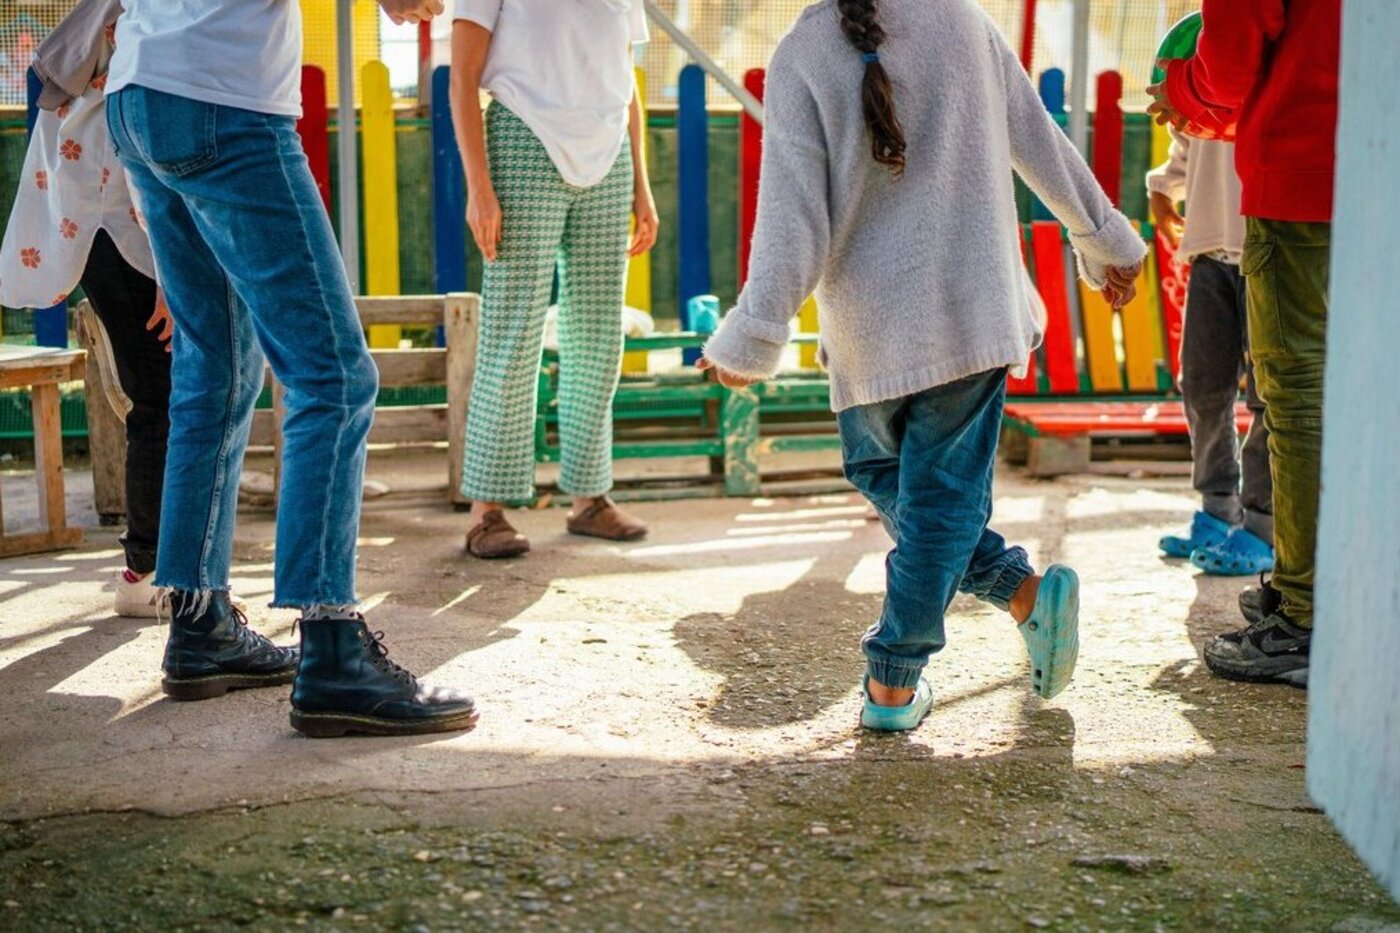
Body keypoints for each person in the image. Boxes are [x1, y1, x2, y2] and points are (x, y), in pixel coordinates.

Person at [698, 0, 1145, 731]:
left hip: (870, 334)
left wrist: (755, 334)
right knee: (932, 502)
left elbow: (790, 220)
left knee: (913, 494)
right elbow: (1042, 143)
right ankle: (1021, 592)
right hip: (973, 314)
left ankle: (893, 680)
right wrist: (1106, 241)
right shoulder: (966, 24)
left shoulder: (802, 52)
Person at [104, 0, 478, 736]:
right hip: (222, 94)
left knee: (213, 372)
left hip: (141, 91)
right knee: (332, 376)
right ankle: (332, 649)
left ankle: (200, 624)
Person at [1150, 0, 1340, 687]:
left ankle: (1306, 615)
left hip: (1302, 171)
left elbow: (1228, 66)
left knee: (1295, 394)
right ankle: (1319, 585)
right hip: (1370, 167)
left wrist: (1182, 89)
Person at [450, 0, 658, 560]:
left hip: (610, 156)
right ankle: (486, 512)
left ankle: (590, 498)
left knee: (598, 335)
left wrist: (642, 185)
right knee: (513, 331)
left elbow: (626, 81)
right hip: (523, 142)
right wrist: (479, 188)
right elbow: (462, 78)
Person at [0, 9, 177, 619]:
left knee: (161, 396)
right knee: (160, 397)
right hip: (123, 229)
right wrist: (169, 274)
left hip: (105, 225)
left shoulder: (105, 29)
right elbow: (136, 157)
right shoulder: (137, 27)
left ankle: (154, 563)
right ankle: (146, 570)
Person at [1147, 129, 1274, 576]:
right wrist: (1163, 187)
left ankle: (1263, 524)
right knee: (1201, 385)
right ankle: (1218, 509)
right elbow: (1187, 138)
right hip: (1209, 249)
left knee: (1269, 393)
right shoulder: (1199, 84)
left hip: (1269, 246)